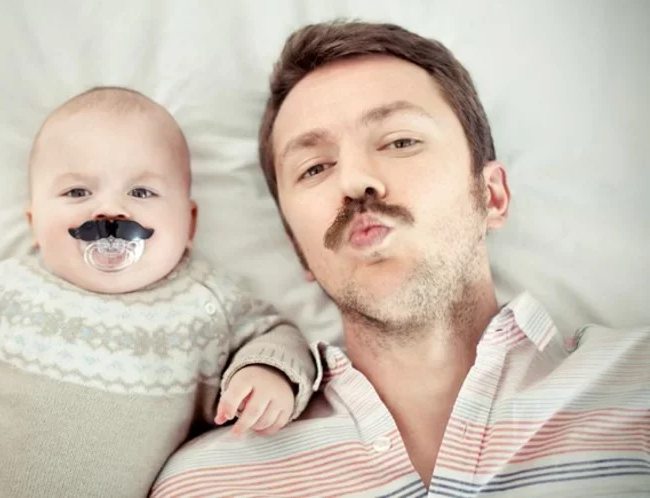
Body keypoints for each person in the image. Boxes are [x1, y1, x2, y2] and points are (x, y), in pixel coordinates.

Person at [151, 20, 650, 497]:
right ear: (298, 248)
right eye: (315, 167)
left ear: (492, 196)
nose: (354, 181)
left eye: (400, 141)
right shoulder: (205, 483)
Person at [0, 87, 316, 497]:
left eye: (141, 192)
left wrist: (265, 372)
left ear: (189, 223)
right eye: (77, 192)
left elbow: (275, 333)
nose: (110, 210)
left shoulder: (206, 302)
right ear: (34, 222)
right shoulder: (7, 289)